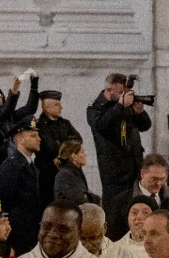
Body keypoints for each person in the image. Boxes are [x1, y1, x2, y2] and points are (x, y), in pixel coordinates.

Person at [86, 71, 152, 206]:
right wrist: (120, 105)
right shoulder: (96, 107)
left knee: (134, 206)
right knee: (115, 207)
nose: (124, 94)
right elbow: (101, 125)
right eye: (120, 92)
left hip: (134, 166)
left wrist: (140, 113)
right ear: (109, 90)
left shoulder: (124, 105)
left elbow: (145, 126)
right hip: (114, 170)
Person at [0, 114, 43, 255]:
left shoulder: (30, 165)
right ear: (20, 139)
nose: (39, 139)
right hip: (19, 232)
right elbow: (4, 200)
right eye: (33, 135)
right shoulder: (12, 165)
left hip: (31, 230)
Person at [107, 154, 169, 241]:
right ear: (142, 174)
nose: (158, 183)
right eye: (154, 179)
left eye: (162, 179)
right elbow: (113, 239)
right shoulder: (119, 202)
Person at [35, 89, 82, 207]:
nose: (61, 107)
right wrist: (68, 146)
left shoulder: (65, 123)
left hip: (70, 171)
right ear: (46, 107)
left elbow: (78, 140)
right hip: (49, 173)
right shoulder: (40, 126)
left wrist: (62, 150)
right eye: (57, 104)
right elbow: (50, 147)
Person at [0, 73, 40, 165]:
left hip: (12, 156)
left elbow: (30, 108)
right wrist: (13, 92)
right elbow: (3, 112)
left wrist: (34, 86)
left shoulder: (10, 115)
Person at [53, 139, 100, 208]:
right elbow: (80, 200)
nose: (85, 154)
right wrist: (89, 195)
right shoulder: (64, 175)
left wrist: (87, 195)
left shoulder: (75, 174)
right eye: (82, 152)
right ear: (74, 156)